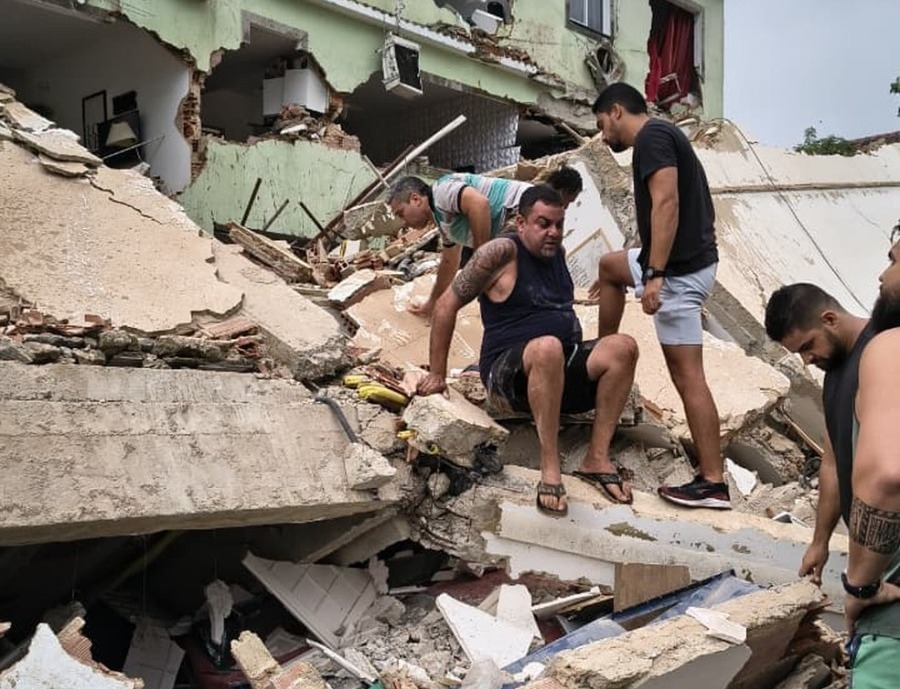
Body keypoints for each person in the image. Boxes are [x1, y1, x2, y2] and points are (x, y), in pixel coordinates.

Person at [416, 185, 639, 516]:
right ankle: (550, 468)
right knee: (547, 347)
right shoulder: (499, 254)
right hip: (509, 376)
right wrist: (437, 374)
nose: (553, 233)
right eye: (543, 223)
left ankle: (597, 458)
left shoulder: (557, 254)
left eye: (559, 225)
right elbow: (447, 306)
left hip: (560, 366)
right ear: (521, 222)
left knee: (623, 346)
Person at [588, 82, 727, 509]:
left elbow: (666, 203)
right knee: (611, 267)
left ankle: (712, 482)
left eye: (601, 126)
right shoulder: (661, 136)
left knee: (688, 378)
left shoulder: (651, 137)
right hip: (675, 263)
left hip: (679, 275)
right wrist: (645, 262)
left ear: (615, 111)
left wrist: (655, 276)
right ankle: (601, 351)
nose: (603, 136)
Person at [764, 283, 874, 585]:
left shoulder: (882, 353)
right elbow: (832, 463)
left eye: (807, 346)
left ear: (829, 320)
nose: (807, 360)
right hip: (870, 549)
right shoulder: (835, 376)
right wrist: (820, 542)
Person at [387, 167, 583, 317]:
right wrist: (432, 302)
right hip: (519, 218)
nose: (405, 222)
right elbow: (449, 262)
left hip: (520, 210)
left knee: (501, 284)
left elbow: (479, 204)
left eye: (401, 213)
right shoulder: (443, 220)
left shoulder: (441, 190)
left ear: (415, 199)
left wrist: (483, 261)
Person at [842, 236, 900, 686]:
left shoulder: (892, 347)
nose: (882, 277)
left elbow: (886, 475)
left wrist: (860, 587)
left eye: (894, 261)